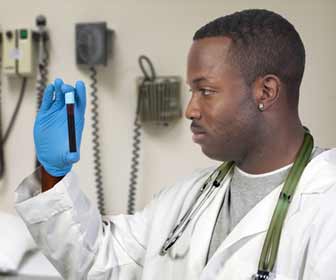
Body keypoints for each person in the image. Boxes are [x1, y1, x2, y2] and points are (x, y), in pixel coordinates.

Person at [15, 9, 336, 280]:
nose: (190, 110)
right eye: (191, 92)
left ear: (265, 92)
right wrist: (54, 172)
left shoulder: (326, 205)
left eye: (206, 91)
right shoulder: (187, 198)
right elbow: (100, 259)